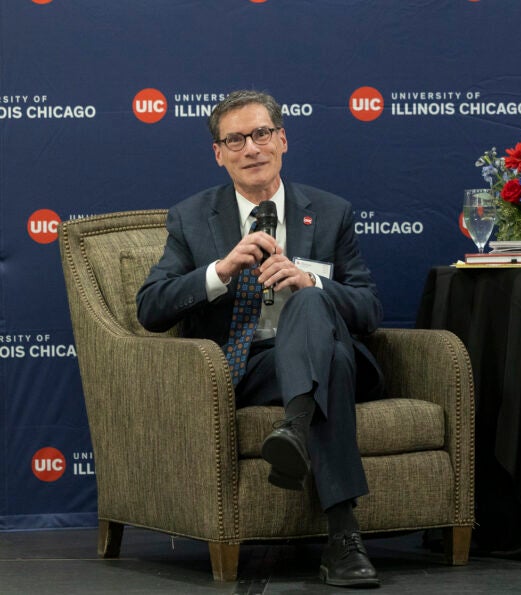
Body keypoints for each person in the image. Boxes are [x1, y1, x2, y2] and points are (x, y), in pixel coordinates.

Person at [137, 90, 384, 588]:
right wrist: (220, 271)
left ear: (282, 140)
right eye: (236, 139)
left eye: (261, 134)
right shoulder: (190, 218)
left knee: (315, 308)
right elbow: (150, 308)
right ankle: (342, 540)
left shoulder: (331, 213)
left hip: (326, 356)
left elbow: (370, 310)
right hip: (247, 367)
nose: (251, 148)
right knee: (329, 364)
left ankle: (294, 430)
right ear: (219, 153)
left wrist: (309, 281)